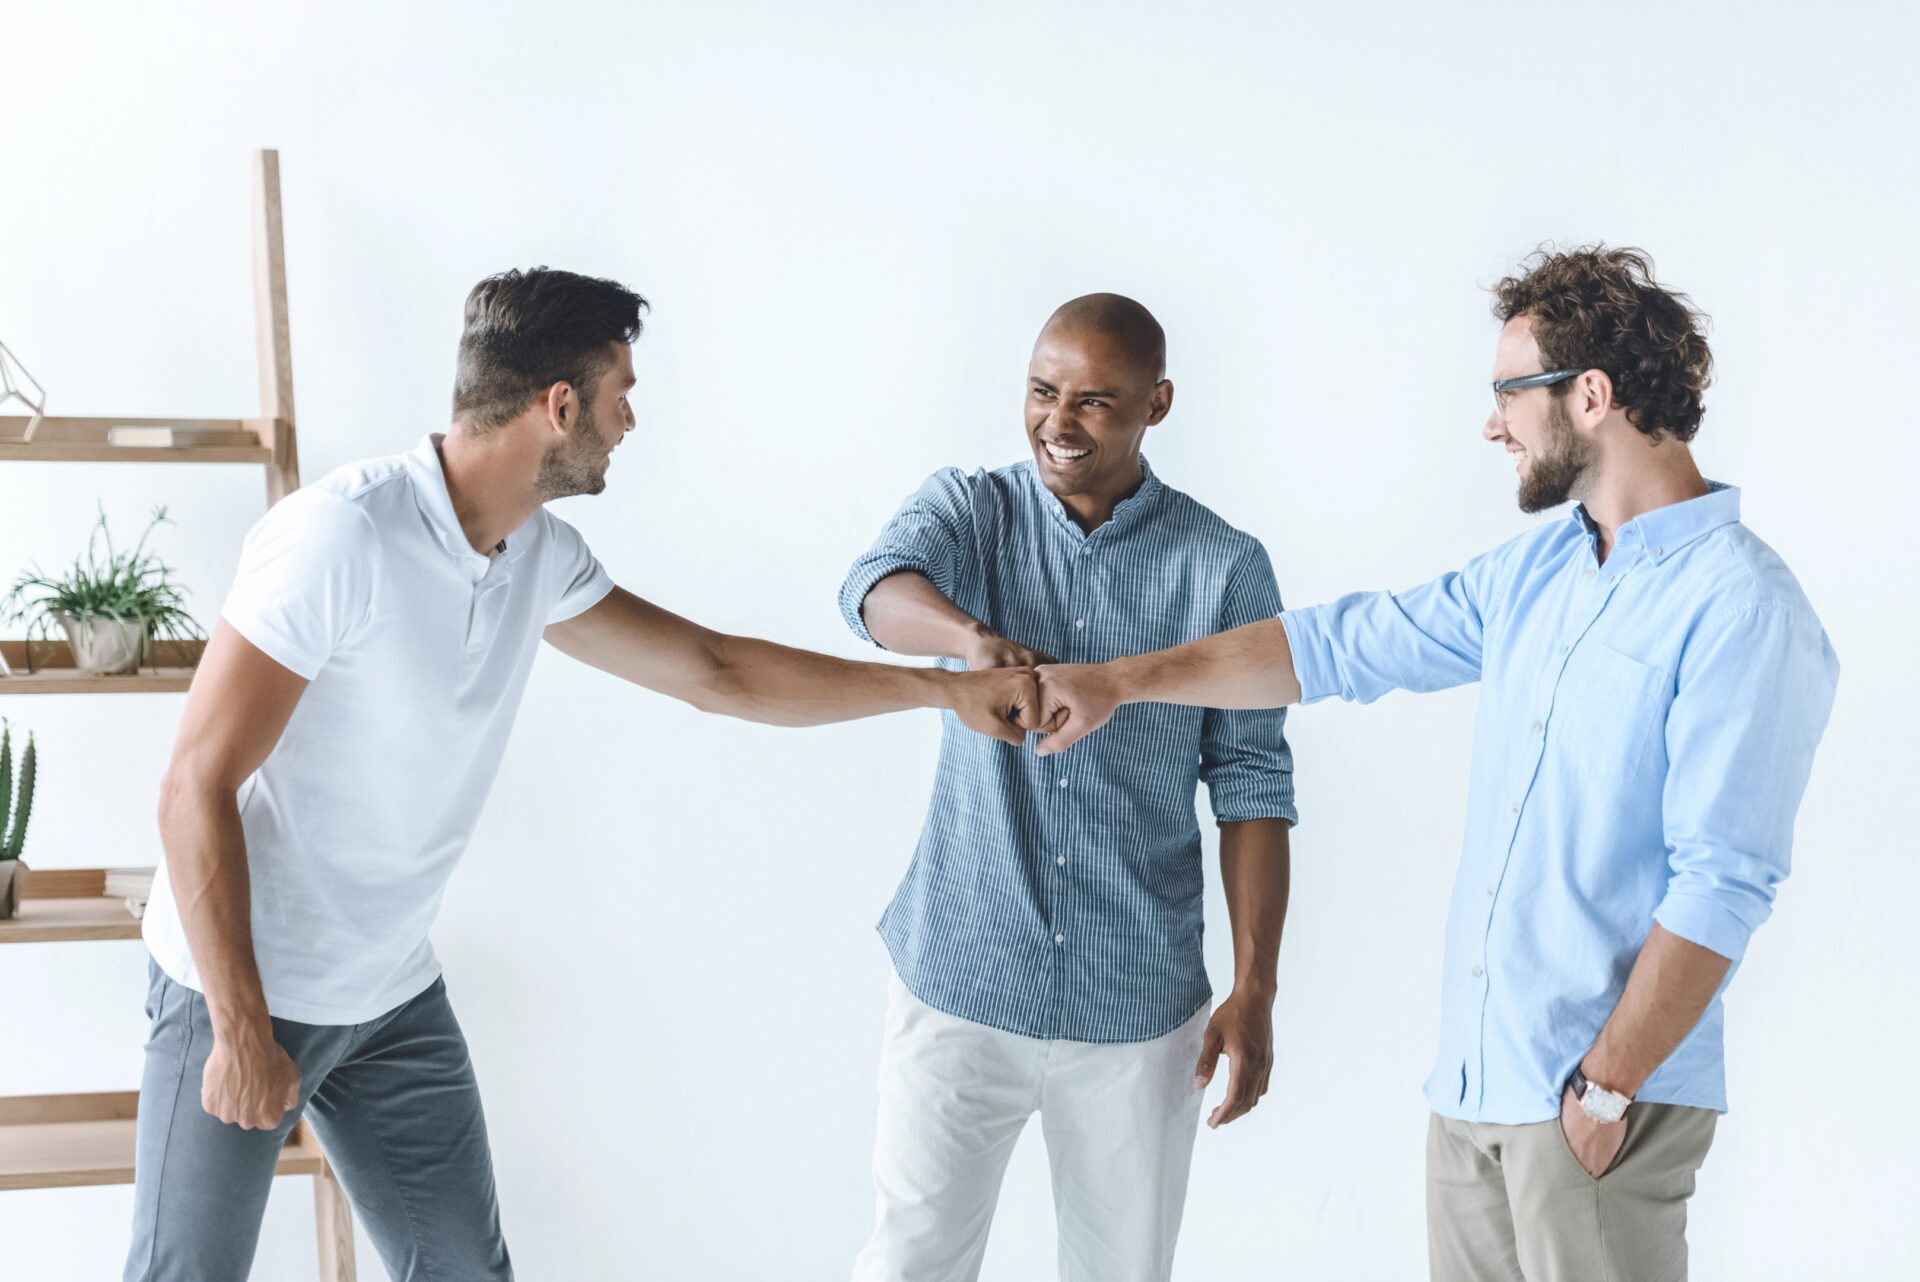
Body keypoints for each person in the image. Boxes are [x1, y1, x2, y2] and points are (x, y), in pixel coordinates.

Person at [125, 267, 1044, 1282]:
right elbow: (193, 784)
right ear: (559, 407)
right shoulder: (340, 536)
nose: (631, 420)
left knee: (467, 1271)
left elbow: (715, 669)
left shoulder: (535, 554)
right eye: (622, 394)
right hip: (240, 981)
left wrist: (940, 691)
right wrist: (241, 1028)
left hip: (386, 990)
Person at [1031, 249, 1838, 1282]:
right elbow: (1342, 646)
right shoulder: (1543, 568)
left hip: (1597, 1106)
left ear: (1590, 396)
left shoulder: (1743, 607)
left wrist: (1604, 1090)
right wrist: (1123, 680)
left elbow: (1724, 882)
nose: (1493, 423)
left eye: (1510, 393)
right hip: (1475, 1092)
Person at [841, 294, 1296, 1282]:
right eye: (1044, 392)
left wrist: (1256, 987)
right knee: (908, 1263)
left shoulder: (1225, 569)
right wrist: (968, 644)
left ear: (1157, 402)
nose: (1059, 422)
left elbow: (1253, 785)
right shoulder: (975, 510)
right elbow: (874, 590)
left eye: (1095, 400)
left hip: (1136, 1006)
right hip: (960, 979)